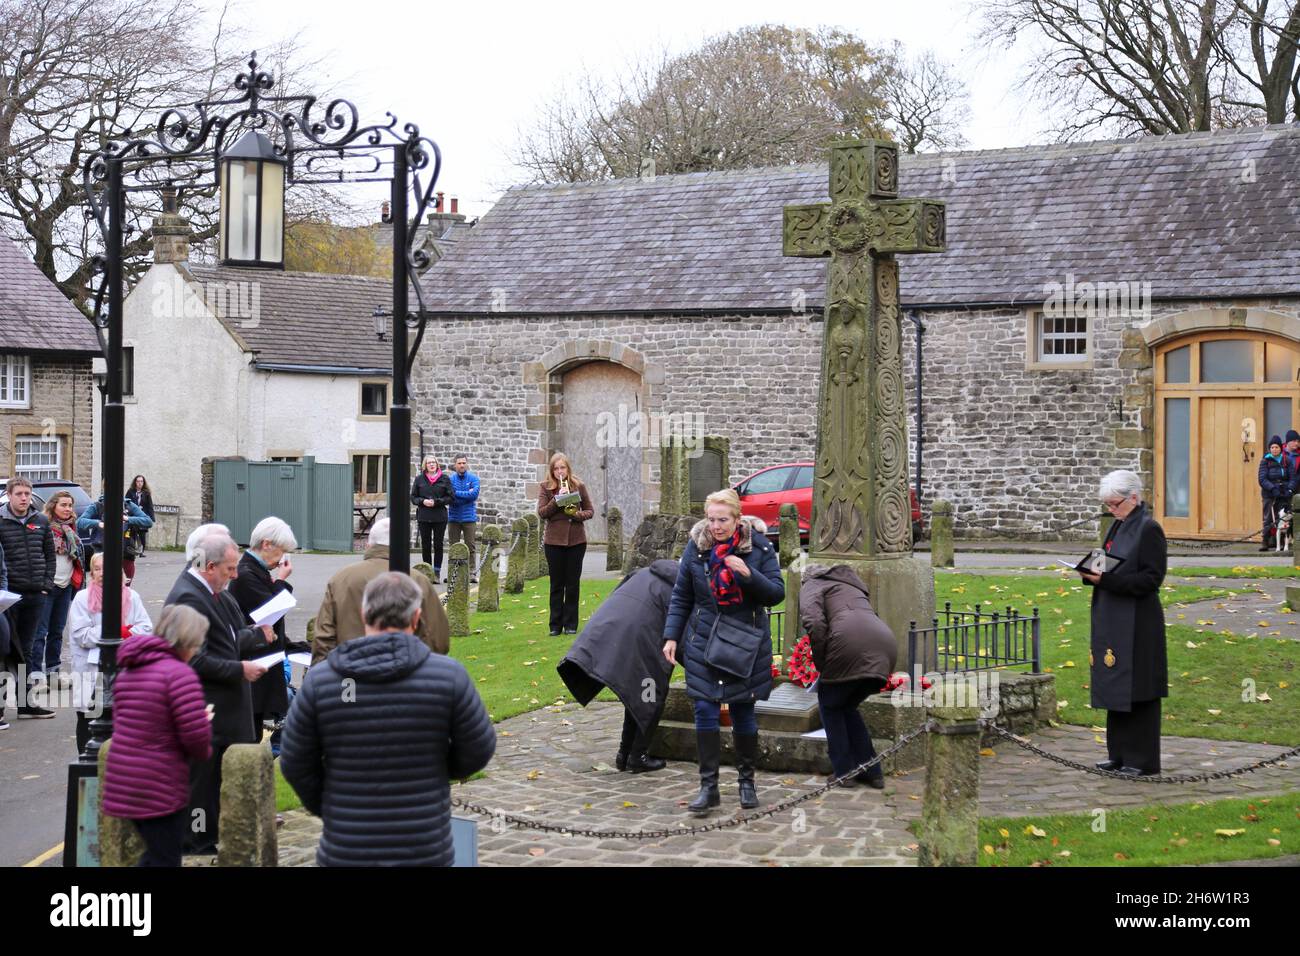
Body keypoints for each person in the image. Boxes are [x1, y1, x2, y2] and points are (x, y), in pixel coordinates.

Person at [280, 572, 496, 865]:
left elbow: (295, 760)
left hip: (347, 846)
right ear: (417, 617)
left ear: (364, 613)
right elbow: (477, 749)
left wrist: (331, 805)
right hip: (424, 845)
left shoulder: (322, 682)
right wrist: (436, 773)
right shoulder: (448, 677)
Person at [663, 489, 784, 815]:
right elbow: (682, 595)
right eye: (712, 519)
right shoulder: (696, 546)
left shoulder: (757, 547)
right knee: (704, 709)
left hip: (745, 640)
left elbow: (776, 594)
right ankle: (709, 787)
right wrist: (672, 635)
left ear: (737, 518)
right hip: (703, 640)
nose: (716, 526)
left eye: (723, 520)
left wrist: (748, 575)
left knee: (743, 712)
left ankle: (747, 782)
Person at [165, 530, 274, 853]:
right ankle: (196, 843)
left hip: (227, 709)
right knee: (202, 783)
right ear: (209, 566)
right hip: (207, 709)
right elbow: (190, 659)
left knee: (218, 782)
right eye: (229, 568)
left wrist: (254, 636)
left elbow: (225, 640)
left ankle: (211, 837)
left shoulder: (216, 593)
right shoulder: (188, 597)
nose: (235, 575)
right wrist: (239, 669)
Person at [102, 604, 213, 867]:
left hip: (124, 779)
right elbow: (194, 738)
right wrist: (203, 723)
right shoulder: (179, 675)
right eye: (196, 644)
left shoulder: (129, 670)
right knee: (164, 857)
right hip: (158, 782)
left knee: (154, 854)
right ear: (186, 641)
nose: (196, 650)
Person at [1082, 470, 1169, 777]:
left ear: (1134, 498)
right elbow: (1101, 563)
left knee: (1139, 690)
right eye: (1107, 505)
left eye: (1115, 504)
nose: (1111, 510)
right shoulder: (1117, 527)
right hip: (1112, 617)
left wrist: (1106, 581)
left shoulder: (1149, 529)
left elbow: (1151, 579)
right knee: (1115, 686)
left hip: (1139, 622)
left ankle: (1141, 759)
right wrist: (1086, 572)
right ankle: (1117, 754)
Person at [557, 559, 677, 773]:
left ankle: (625, 753)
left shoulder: (642, 572)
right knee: (652, 694)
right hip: (640, 641)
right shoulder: (682, 590)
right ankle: (637, 756)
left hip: (609, 633)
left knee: (636, 692)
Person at [799, 564, 898, 789]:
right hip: (885, 647)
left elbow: (814, 622)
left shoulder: (812, 584)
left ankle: (844, 772)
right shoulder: (852, 587)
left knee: (830, 706)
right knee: (846, 707)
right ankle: (872, 771)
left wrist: (823, 664)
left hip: (848, 646)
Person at [312, 518, 449, 664]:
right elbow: (437, 639)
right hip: (406, 674)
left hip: (350, 674)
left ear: (369, 545)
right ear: (403, 544)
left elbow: (324, 638)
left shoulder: (341, 579)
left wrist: (326, 675)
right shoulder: (418, 581)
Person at [227, 516, 309, 739]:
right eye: (281, 551)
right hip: (254, 663)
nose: (281, 559)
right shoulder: (246, 574)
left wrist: (296, 647)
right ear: (266, 544)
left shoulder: (255, 571)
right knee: (249, 733)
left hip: (262, 661)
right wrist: (281, 579)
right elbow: (271, 612)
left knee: (254, 730)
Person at [68, 552, 153, 753]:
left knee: (123, 720)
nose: (102, 573)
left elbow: (146, 627)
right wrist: (115, 633)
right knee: (90, 718)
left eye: (106, 568)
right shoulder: (82, 598)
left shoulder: (132, 596)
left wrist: (126, 633)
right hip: (91, 669)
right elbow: (81, 635)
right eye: (97, 569)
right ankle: (87, 764)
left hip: (124, 667)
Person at [0, 477, 55, 718]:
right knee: (5, 652)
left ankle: (25, 704)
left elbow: (50, 556)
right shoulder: (1, 521)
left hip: (35, 595)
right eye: (19, 493)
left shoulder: (41, 520)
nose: (24, 498)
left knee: (27, 650)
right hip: (8, 597)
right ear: (9, 495)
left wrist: (45, 585)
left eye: (27, 494)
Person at [537, 452, 594, 636]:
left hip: (576, 541)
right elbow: (543, 512)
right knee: (556, 585)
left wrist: (576, 515)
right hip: (554, 542)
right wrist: (557, 499)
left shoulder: (578, 486)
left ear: (568, 468)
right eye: (556, 468)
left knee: (572, 584)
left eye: (562, 467)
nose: (560, 471)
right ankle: (555, 626)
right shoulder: (546, 488)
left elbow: (590, 511)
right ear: (552, 470)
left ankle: (570, 625)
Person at [33, 490, 86, 687]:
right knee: (40, 633)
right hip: (47, 587)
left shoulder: (71, 528)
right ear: (53, 506)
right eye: (63, 505)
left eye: (70, 505)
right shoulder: (44, 526)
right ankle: (36, 676)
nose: (68, 509)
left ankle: (53, 673)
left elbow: (77, 558)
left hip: (65, 586)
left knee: (57, 632)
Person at [77, 487, 153, 582]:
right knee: (102, 590)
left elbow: (148, 521)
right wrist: (99, 523)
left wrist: (127, 519)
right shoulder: (97, 506)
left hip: (125, 554)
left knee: (124, 590)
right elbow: (80, 522)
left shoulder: (128, 505)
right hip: (102, 554)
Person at [411, 455, 452, 578]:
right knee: (426, 544)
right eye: (429, 463)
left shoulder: (444, 479)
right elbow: (413, 497)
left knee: (438, 544)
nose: (432, 465)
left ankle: (437, 571)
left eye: (433, 462)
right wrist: (422, 501)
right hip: (424, 516)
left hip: (439, 516)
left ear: (437, 464)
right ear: (425, 465)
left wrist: (437, 502)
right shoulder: (419, 479)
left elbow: (450, 497)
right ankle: (428, 571)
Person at [447, 454, 480, 584]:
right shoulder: (450, 480)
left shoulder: (473, 478)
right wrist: (464, 495)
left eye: (464, 463)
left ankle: (471, 573)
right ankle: (452, 572)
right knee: (453, 546)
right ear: (455, 465)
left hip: (469, 517)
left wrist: (457, 494)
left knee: (470, 546)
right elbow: (450, 496)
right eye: (459, 463)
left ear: (467, 464)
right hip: (454, 517)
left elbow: (473, 495)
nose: (462, 465)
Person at [1257, 435, 1292, 551]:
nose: (1274, 449)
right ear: (1269, 449)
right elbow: (1262, 479)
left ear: (1280, 448)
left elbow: (1293, 477)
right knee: (1268, 518)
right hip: (1269, 494)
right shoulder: (1265, 461)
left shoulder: (1286, 460)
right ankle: (1265, 541)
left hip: (1283, 493)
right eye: (1272, 447)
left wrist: (1289, 489)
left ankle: (1282, 542)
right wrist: (1272, 488)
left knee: (1282, 518)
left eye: (1276, 447)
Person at [126, 476, 155, 555]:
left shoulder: (146, 493)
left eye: (141, 481)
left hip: (143, 516)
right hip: (133, 516)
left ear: (143, 482)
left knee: (142, 534)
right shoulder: (130, 491)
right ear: (135, 482)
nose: (139, 483)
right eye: (138, 481)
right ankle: (132, 549)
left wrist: (151, 518)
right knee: (132, 533)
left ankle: (142, 551)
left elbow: (150, 506)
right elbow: (126, 502)